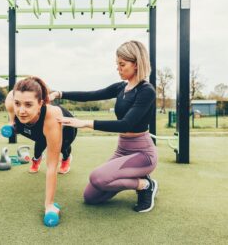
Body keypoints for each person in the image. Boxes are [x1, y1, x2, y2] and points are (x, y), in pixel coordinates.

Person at [49, 40, 158, 212]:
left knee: (98, 177)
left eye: (122, 64)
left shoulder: (147, 91)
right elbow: (91, 95)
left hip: (142, 153)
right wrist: (60, 93)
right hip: (122, 149)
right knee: (91, 197)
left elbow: (126, 124)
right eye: (117, 64)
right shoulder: (121, 87)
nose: (118, 68)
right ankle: (134, 177)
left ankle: (145, 185)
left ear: (136, 64)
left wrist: (84, 123)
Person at [4, 76, 77, 214]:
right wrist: (11, 122)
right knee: (39, 141)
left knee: (62, 148)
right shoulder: (10, 103)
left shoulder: (52, 117)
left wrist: (49, 204)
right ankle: (36, 159)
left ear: (40, 103)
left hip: (66, 129)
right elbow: (13, 107)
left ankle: (67, 158)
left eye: (28, 104)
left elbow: (51, 166)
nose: (21, 110)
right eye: (17, 103)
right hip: (37, 128)